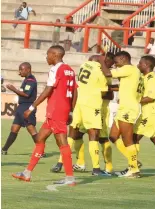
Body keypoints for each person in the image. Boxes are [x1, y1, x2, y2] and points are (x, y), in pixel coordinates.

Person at [12, 45, 78, 186]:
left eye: (48, 54)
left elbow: (48, 89)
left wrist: (32, 107)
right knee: (40, 139)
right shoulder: (70, 71)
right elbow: (74, 92)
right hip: (60, 110)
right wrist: (70, 110)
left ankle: (70, 178)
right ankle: (27, 173)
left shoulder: (56, 69)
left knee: (62, 142)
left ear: (55, 55)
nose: (46, 57)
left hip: (56, 110)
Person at [50, 53, 115, 175]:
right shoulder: (101, 73)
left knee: (73, 134)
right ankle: (97, 168)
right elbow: (107, 93)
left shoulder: (83, 65)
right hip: (94, 107)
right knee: (96, 136)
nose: (110, 66)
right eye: (109, 63)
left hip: (79, 104)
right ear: (103, 61)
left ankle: (61, 163)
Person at [100, 51, 141, 178]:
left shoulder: (129, 68)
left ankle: (134, 169)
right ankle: (134, 162)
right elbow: (122, 86)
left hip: (129, 108)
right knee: (113, 136)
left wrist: (101, 60)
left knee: (127, 140)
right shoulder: (131, 72)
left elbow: (107, 73)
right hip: (123, 107)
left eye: (116, 62)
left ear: (123, 59)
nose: (115, 65)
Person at [2, 63, 38, 155]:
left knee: (31, 129)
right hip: (21, 106)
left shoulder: (31, 80)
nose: (20, 72)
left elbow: (26, 94)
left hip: (27, 106)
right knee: (14, 128)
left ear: (28, 69)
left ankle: (41, 150)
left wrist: (13, 89)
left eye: (21, 70)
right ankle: (4, 149)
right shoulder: (26, 80)